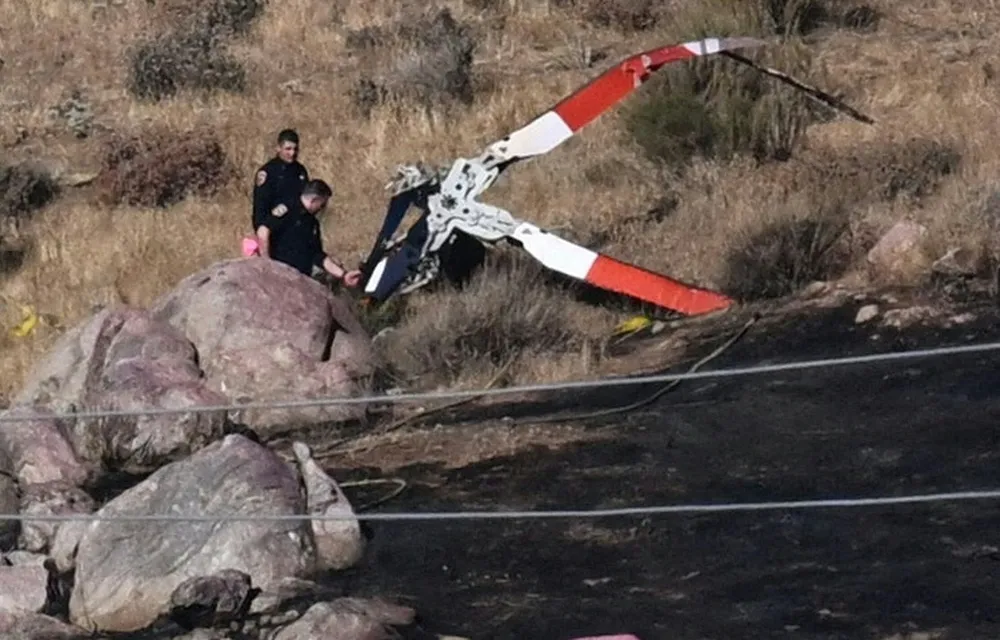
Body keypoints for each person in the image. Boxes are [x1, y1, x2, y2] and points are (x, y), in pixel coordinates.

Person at [256, 179, 362, 287]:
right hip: (278, 276)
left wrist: (343, 275)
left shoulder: (312, 223)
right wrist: (267, 263)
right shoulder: (288, 209)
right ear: (314, 200)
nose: (322, 209)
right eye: (322, 205)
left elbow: (318, 255)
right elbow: (263, 231)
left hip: (300, 280)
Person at [246, 129, 309, 255]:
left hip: (295, 232)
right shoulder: (268, 173)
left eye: (295, 149)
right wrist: (263, 235)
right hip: (274, 231)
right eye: (288, 149)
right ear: (278, 148)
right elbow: (260, 209)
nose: (292, 153)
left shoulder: (300, 171)